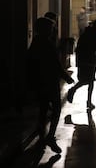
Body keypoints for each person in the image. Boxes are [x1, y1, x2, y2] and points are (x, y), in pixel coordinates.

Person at [27, 17, 75, 153]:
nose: (52, 30)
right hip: (49, 82)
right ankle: (49, 136)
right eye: (50, 28)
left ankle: (42, 136)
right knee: (56, 109)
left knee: (43, 110)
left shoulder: (36, 43)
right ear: (45, 29)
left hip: (40, 82)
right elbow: (54, 65)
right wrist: (66, 77)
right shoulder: (46, 44)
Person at [67, 19, 96, 110]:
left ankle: (88, 101)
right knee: (87, 80)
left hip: (86, 60)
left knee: (89, 81)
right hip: (88, 60)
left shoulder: (88, 33)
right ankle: (74, 91)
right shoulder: (92, 35)